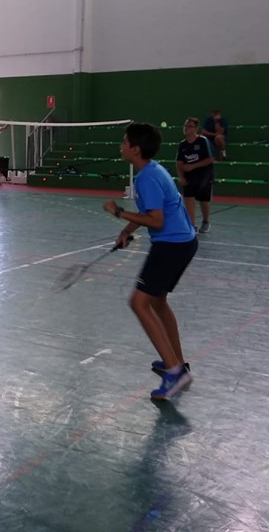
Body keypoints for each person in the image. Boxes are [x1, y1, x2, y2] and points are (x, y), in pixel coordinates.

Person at [102, 122, 197, 401]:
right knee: (157, 301)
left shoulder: (146, 178)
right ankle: (177, 362)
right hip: (183, 242)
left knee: (139, 302)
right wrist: (126, 231)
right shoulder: (153, 170)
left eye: (124, 142)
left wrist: (118, 212)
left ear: (135, 149)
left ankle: (175, 373)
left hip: (171, 245)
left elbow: (156, 221)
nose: (121, 146)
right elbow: (150, 212)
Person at [176, 117, 214, 233]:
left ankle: (205, 221)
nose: (186, 128)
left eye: (190, 126)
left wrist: (193, 166)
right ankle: (191, 225)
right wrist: (181, 176)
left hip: (204, 175)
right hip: (189, 176)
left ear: (196, 129)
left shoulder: (203, 141)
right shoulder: (182, 144)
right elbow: (179, 163)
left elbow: (210, 159)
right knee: (188, 198)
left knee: (203, 200)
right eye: (185, 126)